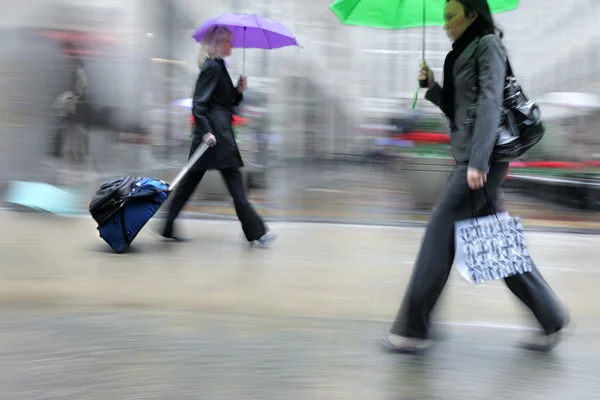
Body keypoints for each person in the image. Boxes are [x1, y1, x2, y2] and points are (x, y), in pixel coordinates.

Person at [380, 0, 569, 353]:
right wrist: (432, 87)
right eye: (443, 18)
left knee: (438, 234)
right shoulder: (461, 53)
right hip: (471, 157)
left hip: (483, 159)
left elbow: (490, 103)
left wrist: (478, 162)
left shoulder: (489, 45)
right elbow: (459, 110)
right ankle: (550, 317)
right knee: (496, 243)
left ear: (472, 14)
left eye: (450, 16)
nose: (445, 24)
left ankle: (413, 328)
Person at [161, 26, 276, 246]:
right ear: (217, 43)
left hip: (217, 134)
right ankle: (257, 232)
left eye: (231, 42)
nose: (231, 45)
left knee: (191, 184)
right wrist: (205, 132)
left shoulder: (219, 67)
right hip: (214, 137)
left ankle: (167, 226)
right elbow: (199, 103)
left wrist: (238, 90)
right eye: (228, 41)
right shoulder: (212, 67)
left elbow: (225, 103)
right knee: (235, 185)